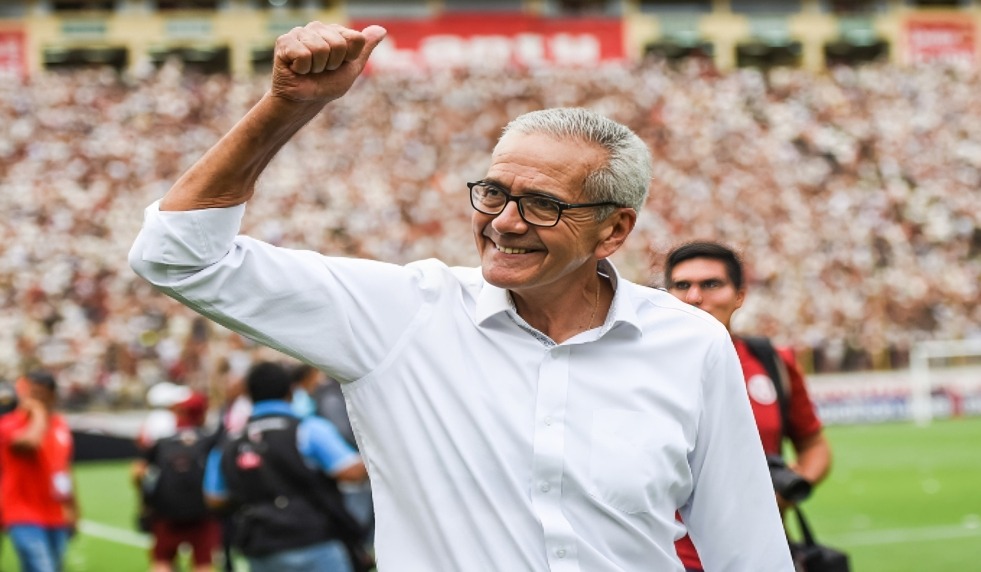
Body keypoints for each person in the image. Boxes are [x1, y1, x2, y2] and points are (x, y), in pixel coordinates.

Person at [129, 21, 793, 570]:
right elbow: (175, 255)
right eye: (495, 192)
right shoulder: (403, 315)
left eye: (541, 204)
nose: (504, 221)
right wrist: (286, 106)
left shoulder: (689, 341)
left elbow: (746, 548)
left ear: (613, 229)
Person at [662, 241, 833, 572]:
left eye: (711, 284)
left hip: (760, 554)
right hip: (668, 558)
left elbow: (814, 445)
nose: (695, 296)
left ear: (739, 295)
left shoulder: (772, 362)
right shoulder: (639, 368)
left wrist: (794, 485)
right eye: (682, 285)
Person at [203, 361, 369, 572]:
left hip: (262, 546)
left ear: (248, 394)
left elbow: (214, 498)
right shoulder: (309, 430)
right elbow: (351, 472)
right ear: (291, 391)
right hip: (316, 540)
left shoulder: (230, 443)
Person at [132, 390, 221, 572]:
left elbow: (137, 472)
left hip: (166, 512)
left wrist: (144, 497)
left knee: (162, 560)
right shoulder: (209, 441)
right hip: (202, 511)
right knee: (203, 562)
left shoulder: (163, 441)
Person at [0, 371, 78, 572]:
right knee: (43, 568)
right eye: (31, 394)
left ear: (52, 395)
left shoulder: (60, 425)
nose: (35, 399)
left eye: (40, 394)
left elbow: (63, 469)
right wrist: (39, 413)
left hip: (54, 513)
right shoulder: (8, 424)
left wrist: (72, 507)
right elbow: (30, 444)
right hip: (21, 512)